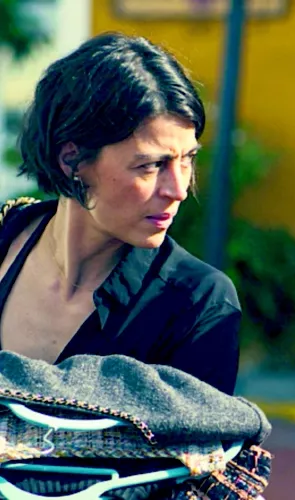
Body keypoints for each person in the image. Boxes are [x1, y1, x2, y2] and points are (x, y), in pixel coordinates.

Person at [0, 32, 241, 396]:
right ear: (71, 159)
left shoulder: (197, 305)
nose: (178, 190)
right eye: (151, 165)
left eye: (187, 159)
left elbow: (195, 435)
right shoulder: (5, 239)